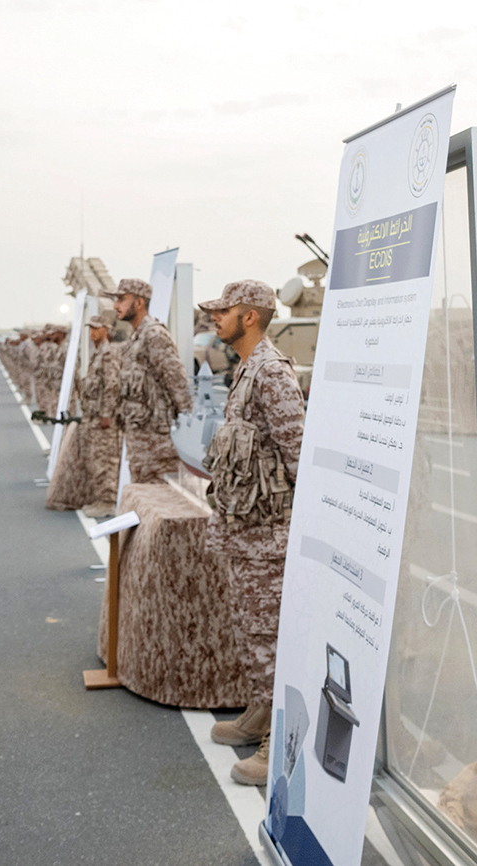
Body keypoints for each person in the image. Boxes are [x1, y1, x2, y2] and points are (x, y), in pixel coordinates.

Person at [199, 280, 305, 786]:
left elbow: (299, 454)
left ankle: (277, 743)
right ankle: (261, 713)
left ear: (250, 317)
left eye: (224, 311)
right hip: (247, 532)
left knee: (272, 637)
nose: (214, 318)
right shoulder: (246, 369)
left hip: (270, 538)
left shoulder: (271, 373)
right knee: (252, 632)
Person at [112, 278, 193, 484]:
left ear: (139, 303)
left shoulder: (154, 335)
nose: (116, 305)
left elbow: (176, 382)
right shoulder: (135, 339)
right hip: (139, 438)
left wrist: (186, 428)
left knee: (160, 498)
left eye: (122, 299)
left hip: (157, 443)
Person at [80, 315, 123, 518]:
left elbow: (111, 385)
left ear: (106, 330)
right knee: (96, 458)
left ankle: (108, 501)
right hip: (93, 416)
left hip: (103, 418)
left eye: (96, 329)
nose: (92, 333)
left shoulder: (108, 353)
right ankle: (100, 498)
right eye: (90, 329)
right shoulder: (97, 353)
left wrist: (107, 414)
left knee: (106, 459)